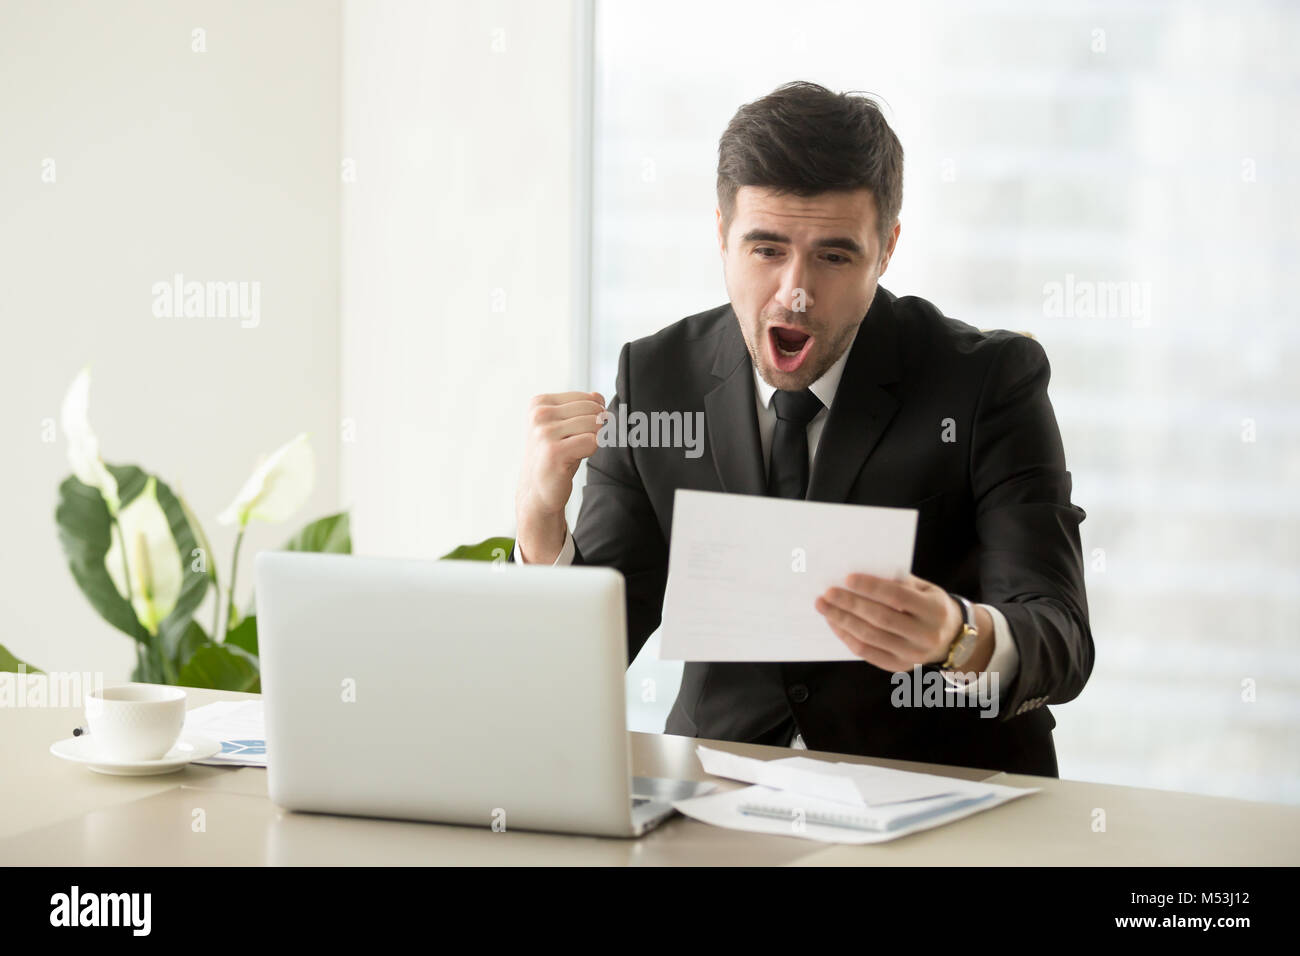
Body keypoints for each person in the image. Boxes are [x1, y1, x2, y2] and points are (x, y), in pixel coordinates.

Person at [511, 81, 1092, 777]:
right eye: (766, 250)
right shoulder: (658, 377)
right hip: (717, 795)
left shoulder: (988, 381)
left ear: (887, 250)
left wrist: (956, 636)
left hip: (935, 801)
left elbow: (1060, 637)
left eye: (834, 255)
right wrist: (541, 521)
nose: (796, 291)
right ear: (722, 236)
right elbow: (592, 654)